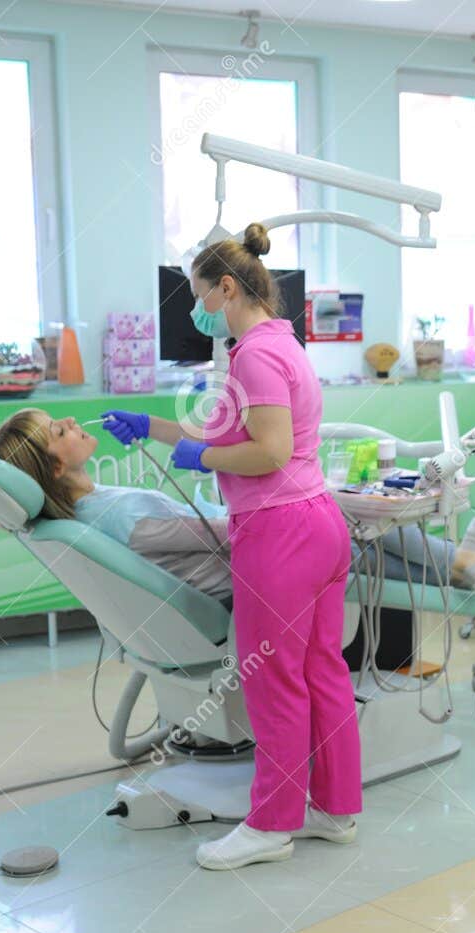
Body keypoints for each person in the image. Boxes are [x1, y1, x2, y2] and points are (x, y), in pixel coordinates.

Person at [97, 224, 364, 870]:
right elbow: (217, 430)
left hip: (281, 534)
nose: (196, 312)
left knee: (273, 681)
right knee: (322, 671)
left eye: (199, 298)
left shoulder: (253, 356)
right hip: (319, 524)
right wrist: (157, 430)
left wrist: (203, 454)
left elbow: (267, 450)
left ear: (226, 288)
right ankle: (335, 808)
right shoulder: (282, 343)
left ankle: (272, 823)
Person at [0, 409, 475, 604]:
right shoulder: (119, 519)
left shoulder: (92, 509)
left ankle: (457, 565)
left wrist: (168, 434)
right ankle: (458, 563)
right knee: (338, 519)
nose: (72, 423)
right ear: (52, 467)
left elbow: (198, 531)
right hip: (244, 575)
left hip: (233, 561)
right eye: (59, 431)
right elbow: (221, 535)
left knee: (345, 534)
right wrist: (235, 473)